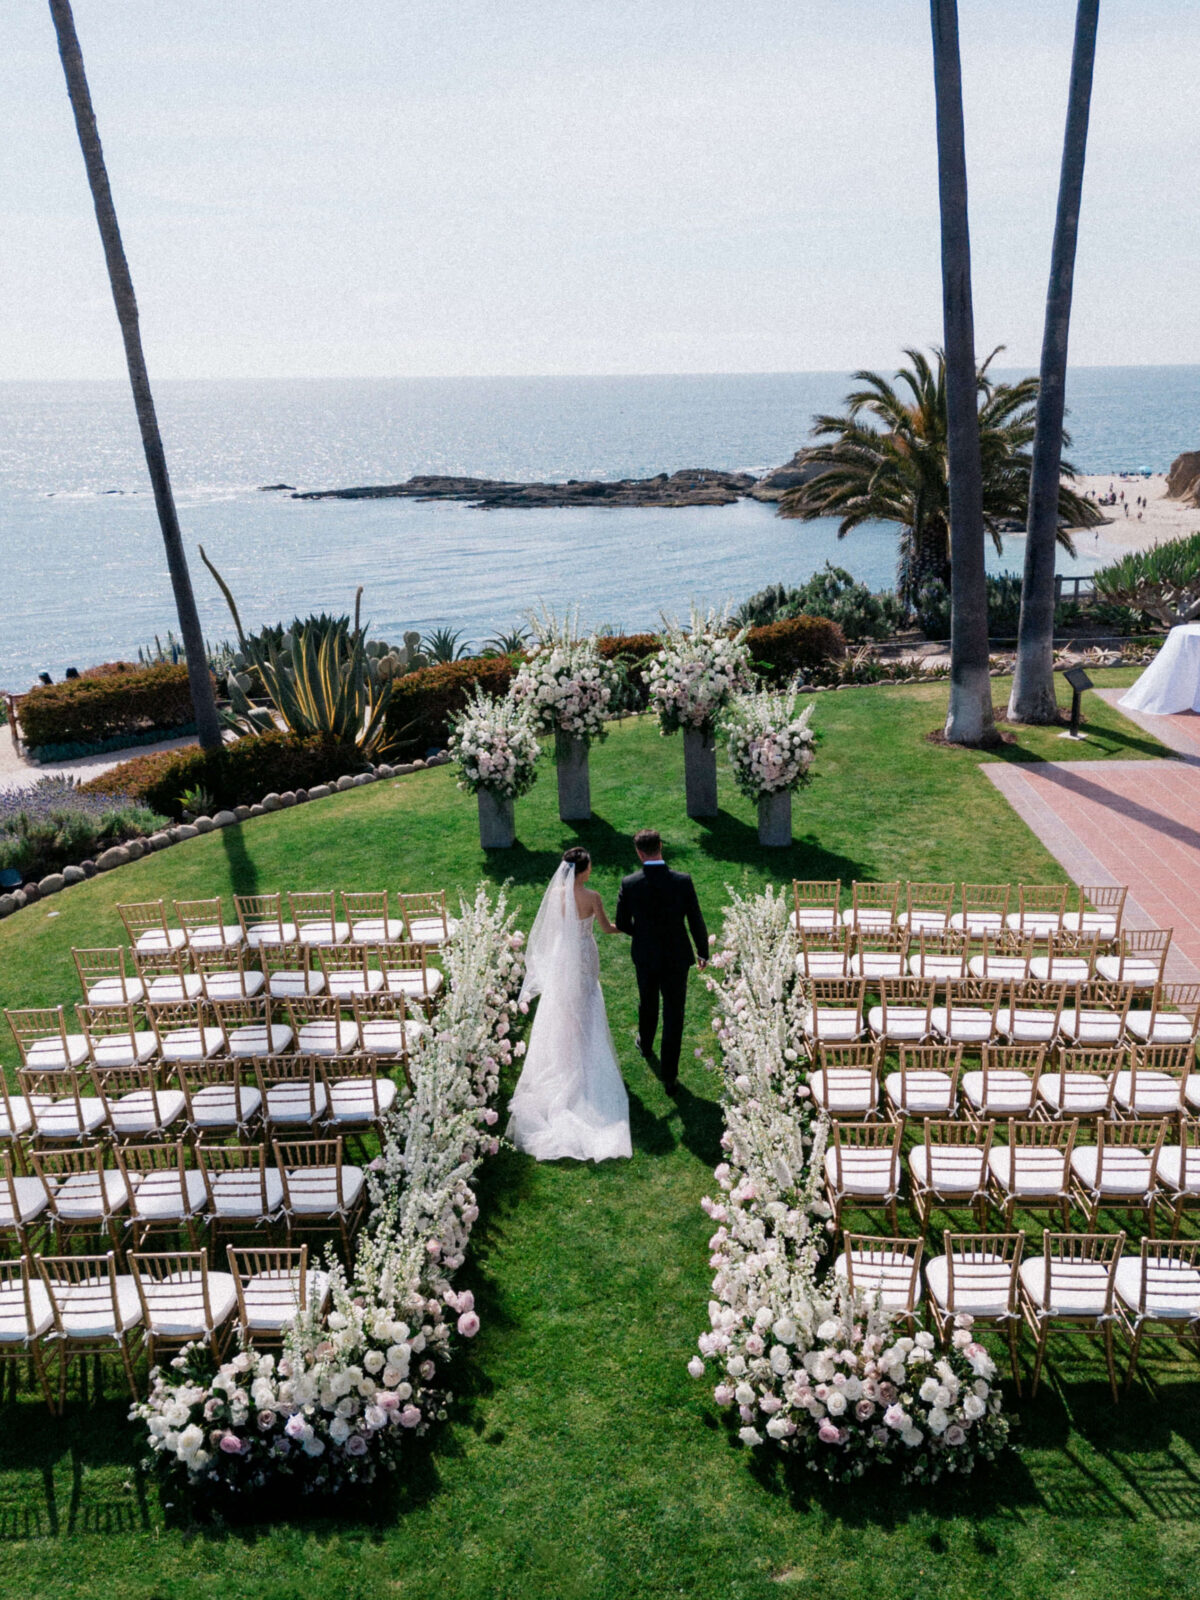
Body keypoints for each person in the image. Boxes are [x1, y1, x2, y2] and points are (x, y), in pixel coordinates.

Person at [506, 847, 632, 1162]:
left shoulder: (556, 894)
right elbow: (606, 928)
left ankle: (564, 1054)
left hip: (563, 957)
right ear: (584, 870)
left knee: (561, 1005)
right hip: (584, 956)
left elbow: (550, 930)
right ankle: (583, 1054)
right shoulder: (592, 897)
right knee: (587, 1002)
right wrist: (631, 925)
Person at [615, 827, 709, 1094]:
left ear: (639, 852)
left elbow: (622, 922)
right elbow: (696, 919)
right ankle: (670, 1076)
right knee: (674, 1013)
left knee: (647, 1001)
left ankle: (645, 1044)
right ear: (661, 847)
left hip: (645, 955)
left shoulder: (629, 883)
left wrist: (642, 934)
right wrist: (702, 951)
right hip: (677, 956)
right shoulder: (682, 880)